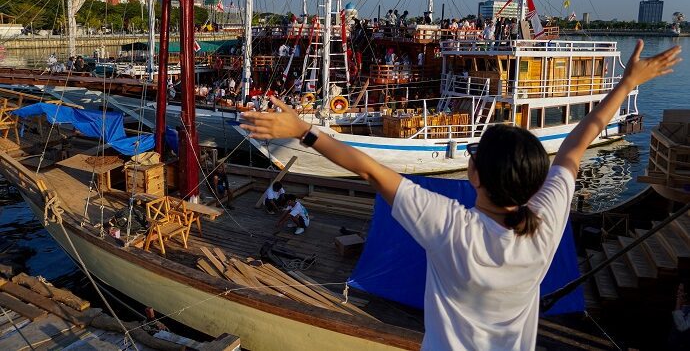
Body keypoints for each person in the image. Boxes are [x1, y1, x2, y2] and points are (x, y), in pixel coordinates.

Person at [240, 40, 681, 350]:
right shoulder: (544, 226)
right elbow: (578, 141)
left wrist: (301, 130)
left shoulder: (453, 227)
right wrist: (625, 86)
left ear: (474, 174)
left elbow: (367, 168)